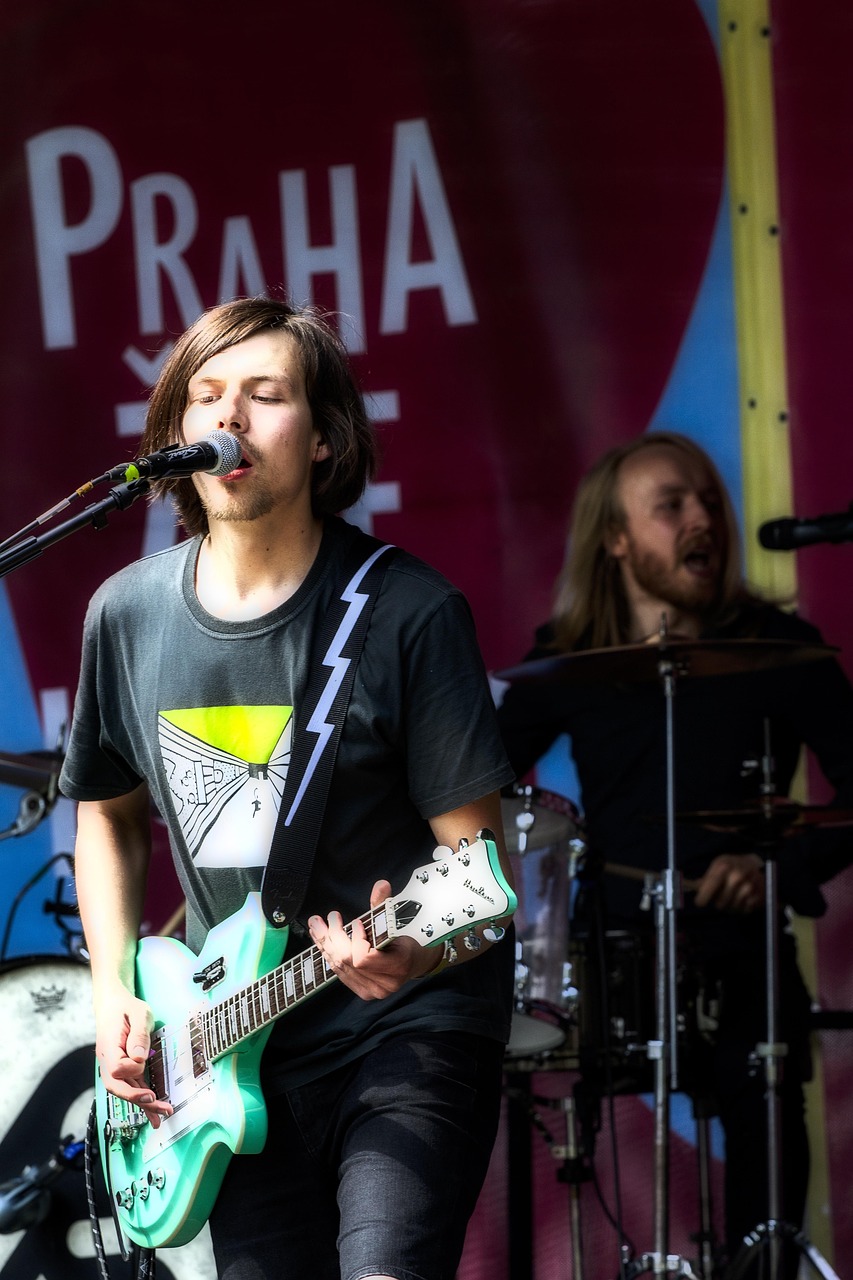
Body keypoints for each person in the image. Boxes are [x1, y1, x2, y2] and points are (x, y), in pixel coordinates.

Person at [59, 296, 517, 1280]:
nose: (230, 418)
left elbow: (481, 876)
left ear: (323, 439)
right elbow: (106, 811)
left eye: (265, 395)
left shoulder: (405, 611)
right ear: (176, 433)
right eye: (207, 395)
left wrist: (415, 952)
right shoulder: (126, 615)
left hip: (403, 1025)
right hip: (233, 1046)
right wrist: (112, 996)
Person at [496, 431, 853, 1273]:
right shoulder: (571, 660)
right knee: (531, 1110)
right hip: (614, 951)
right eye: (671, 507)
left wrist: (776, 869)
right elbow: (466, 786)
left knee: (767, 1122)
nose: (702, 520)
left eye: (707, 503)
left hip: (742, 949)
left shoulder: (778, 648)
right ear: (615, 539)